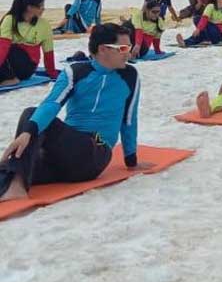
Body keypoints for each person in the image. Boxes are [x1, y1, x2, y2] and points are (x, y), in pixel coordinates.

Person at [0, 23, 153, 202]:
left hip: (95, 152)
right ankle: (14, 180)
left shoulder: (130, 76)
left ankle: (17, 186)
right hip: (63, 155)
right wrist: (29, 133)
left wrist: (131, 161)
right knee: (8, 168)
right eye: (123, 48)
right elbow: (51, 104)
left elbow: (129, 120)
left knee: (30, 114)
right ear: (103, 49)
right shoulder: (76, 72)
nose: (129, 53)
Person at [0, 0, 59, 85]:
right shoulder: (10, 19)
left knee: (13, 50)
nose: (43, 9)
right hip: (8, 62)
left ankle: (10, 79)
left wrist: (52, 73)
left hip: (27, 66)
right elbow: (3, 46)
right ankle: (5, 79)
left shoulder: (44, 25)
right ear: (29, 7)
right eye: (40, 6)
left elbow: (48, 52)